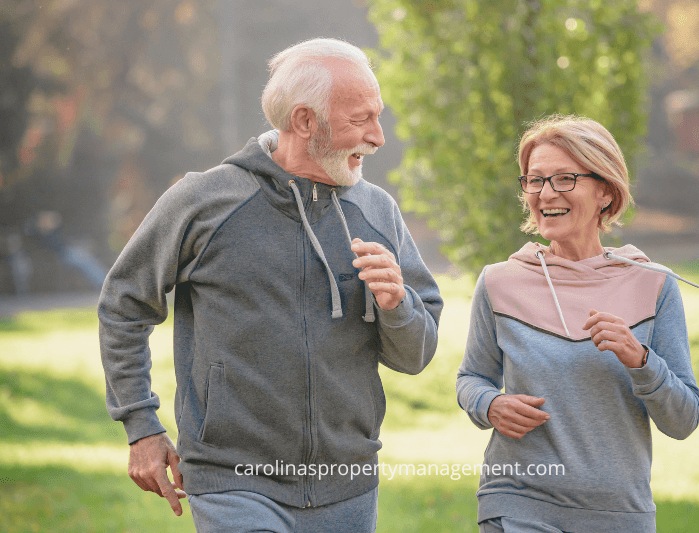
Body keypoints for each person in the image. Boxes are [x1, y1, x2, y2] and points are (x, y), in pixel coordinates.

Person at [99, 38, 443, 533]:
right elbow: (123, 306)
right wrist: (141, 428)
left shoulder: (378, 211)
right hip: (231, 479)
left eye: (378, 115)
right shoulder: (205, 201)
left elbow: (415, 356)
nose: (378, 137)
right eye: (360, 119)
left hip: (347, 485)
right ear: (305, 122)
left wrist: (397, 305)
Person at [456, 115, 699, 533]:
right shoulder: (499, 282)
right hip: (517, 502)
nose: (545, 193)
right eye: (534, 180)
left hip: (620, 514)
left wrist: (639, 359)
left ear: (605, 191)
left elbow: (683, 419)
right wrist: (490, 405)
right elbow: (472, 378)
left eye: (564, 179)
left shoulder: (653, 283)